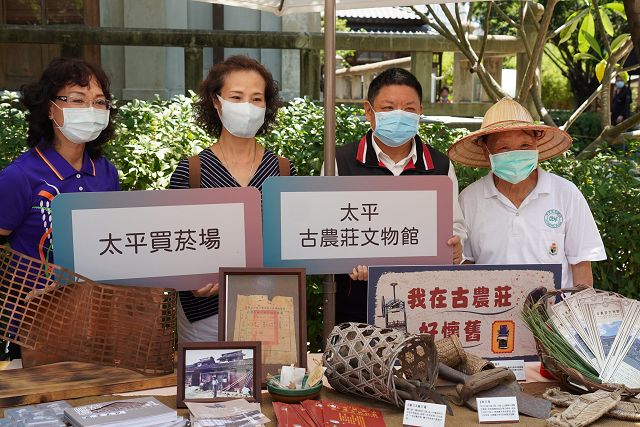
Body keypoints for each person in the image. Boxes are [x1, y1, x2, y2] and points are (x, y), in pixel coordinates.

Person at [169, 55, 296, 342]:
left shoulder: (284, 171)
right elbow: (172, 245)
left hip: (269, 308)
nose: (247, 107)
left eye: (256, 99)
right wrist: (191, 279)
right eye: (236, 97)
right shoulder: (191, 172)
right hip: (204, 315)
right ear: (216, 102)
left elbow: (291, 243)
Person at [327, 68, 467, 324]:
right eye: (389, 108)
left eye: (409, 109)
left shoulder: (439, 165)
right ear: (369, 111)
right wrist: (348, 260)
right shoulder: (340, 162)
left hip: (423, 301)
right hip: (358, 305)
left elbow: (454, 225)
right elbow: (326, 228)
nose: (399, 116)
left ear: (421, 112)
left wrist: (456, 247)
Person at [448, 97, 606, 288]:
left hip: (554, 315)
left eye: (524, 146)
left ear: (536, 145)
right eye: (504, 148)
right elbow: (467, 264)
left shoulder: (565, 194)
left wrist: (578, 313)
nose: (515, 154)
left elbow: (580, 263)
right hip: (492, 314)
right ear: (486, 152)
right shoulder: (470, 199)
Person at [0, 58, 120, 263]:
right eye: (77, 99)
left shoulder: (107, 172)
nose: (90, 109)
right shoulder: (19, 177)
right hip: (33, 294)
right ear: (49, 108)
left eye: (99, 102)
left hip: (96, 295)